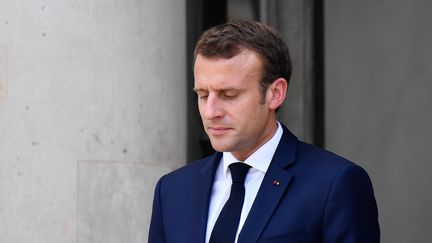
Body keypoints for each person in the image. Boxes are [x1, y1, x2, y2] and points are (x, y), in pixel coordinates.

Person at [148, 20, 380, 243]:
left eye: (229, 95)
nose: (210, 112)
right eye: (203, 95)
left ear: (275, 93)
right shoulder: (172, 190)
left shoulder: (335, 184)